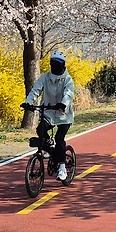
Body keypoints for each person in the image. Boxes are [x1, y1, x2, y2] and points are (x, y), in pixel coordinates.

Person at [24, 50, 76, 179]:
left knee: (59, 138)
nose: (55, 66)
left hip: (64, 115)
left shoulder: (68, 80)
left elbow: (68, 94)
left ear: (63, 65)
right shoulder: (45, 77)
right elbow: (36, 90)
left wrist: (63, 103)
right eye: (53, 63)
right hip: (48, 112)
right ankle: (50, 149)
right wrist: (28, 102)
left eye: (58, 64)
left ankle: (62, 168)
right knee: (40, 130)